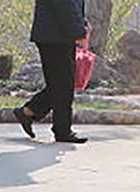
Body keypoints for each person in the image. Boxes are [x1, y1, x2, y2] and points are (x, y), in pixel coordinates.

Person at [12, 0, 89, 143]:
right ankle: (62, 131)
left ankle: (29, 112)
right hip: (54, 36)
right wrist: (79, 32)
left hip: (58, 35)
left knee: (60, 84)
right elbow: (65, 5)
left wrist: (82, 24)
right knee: (63, 84)